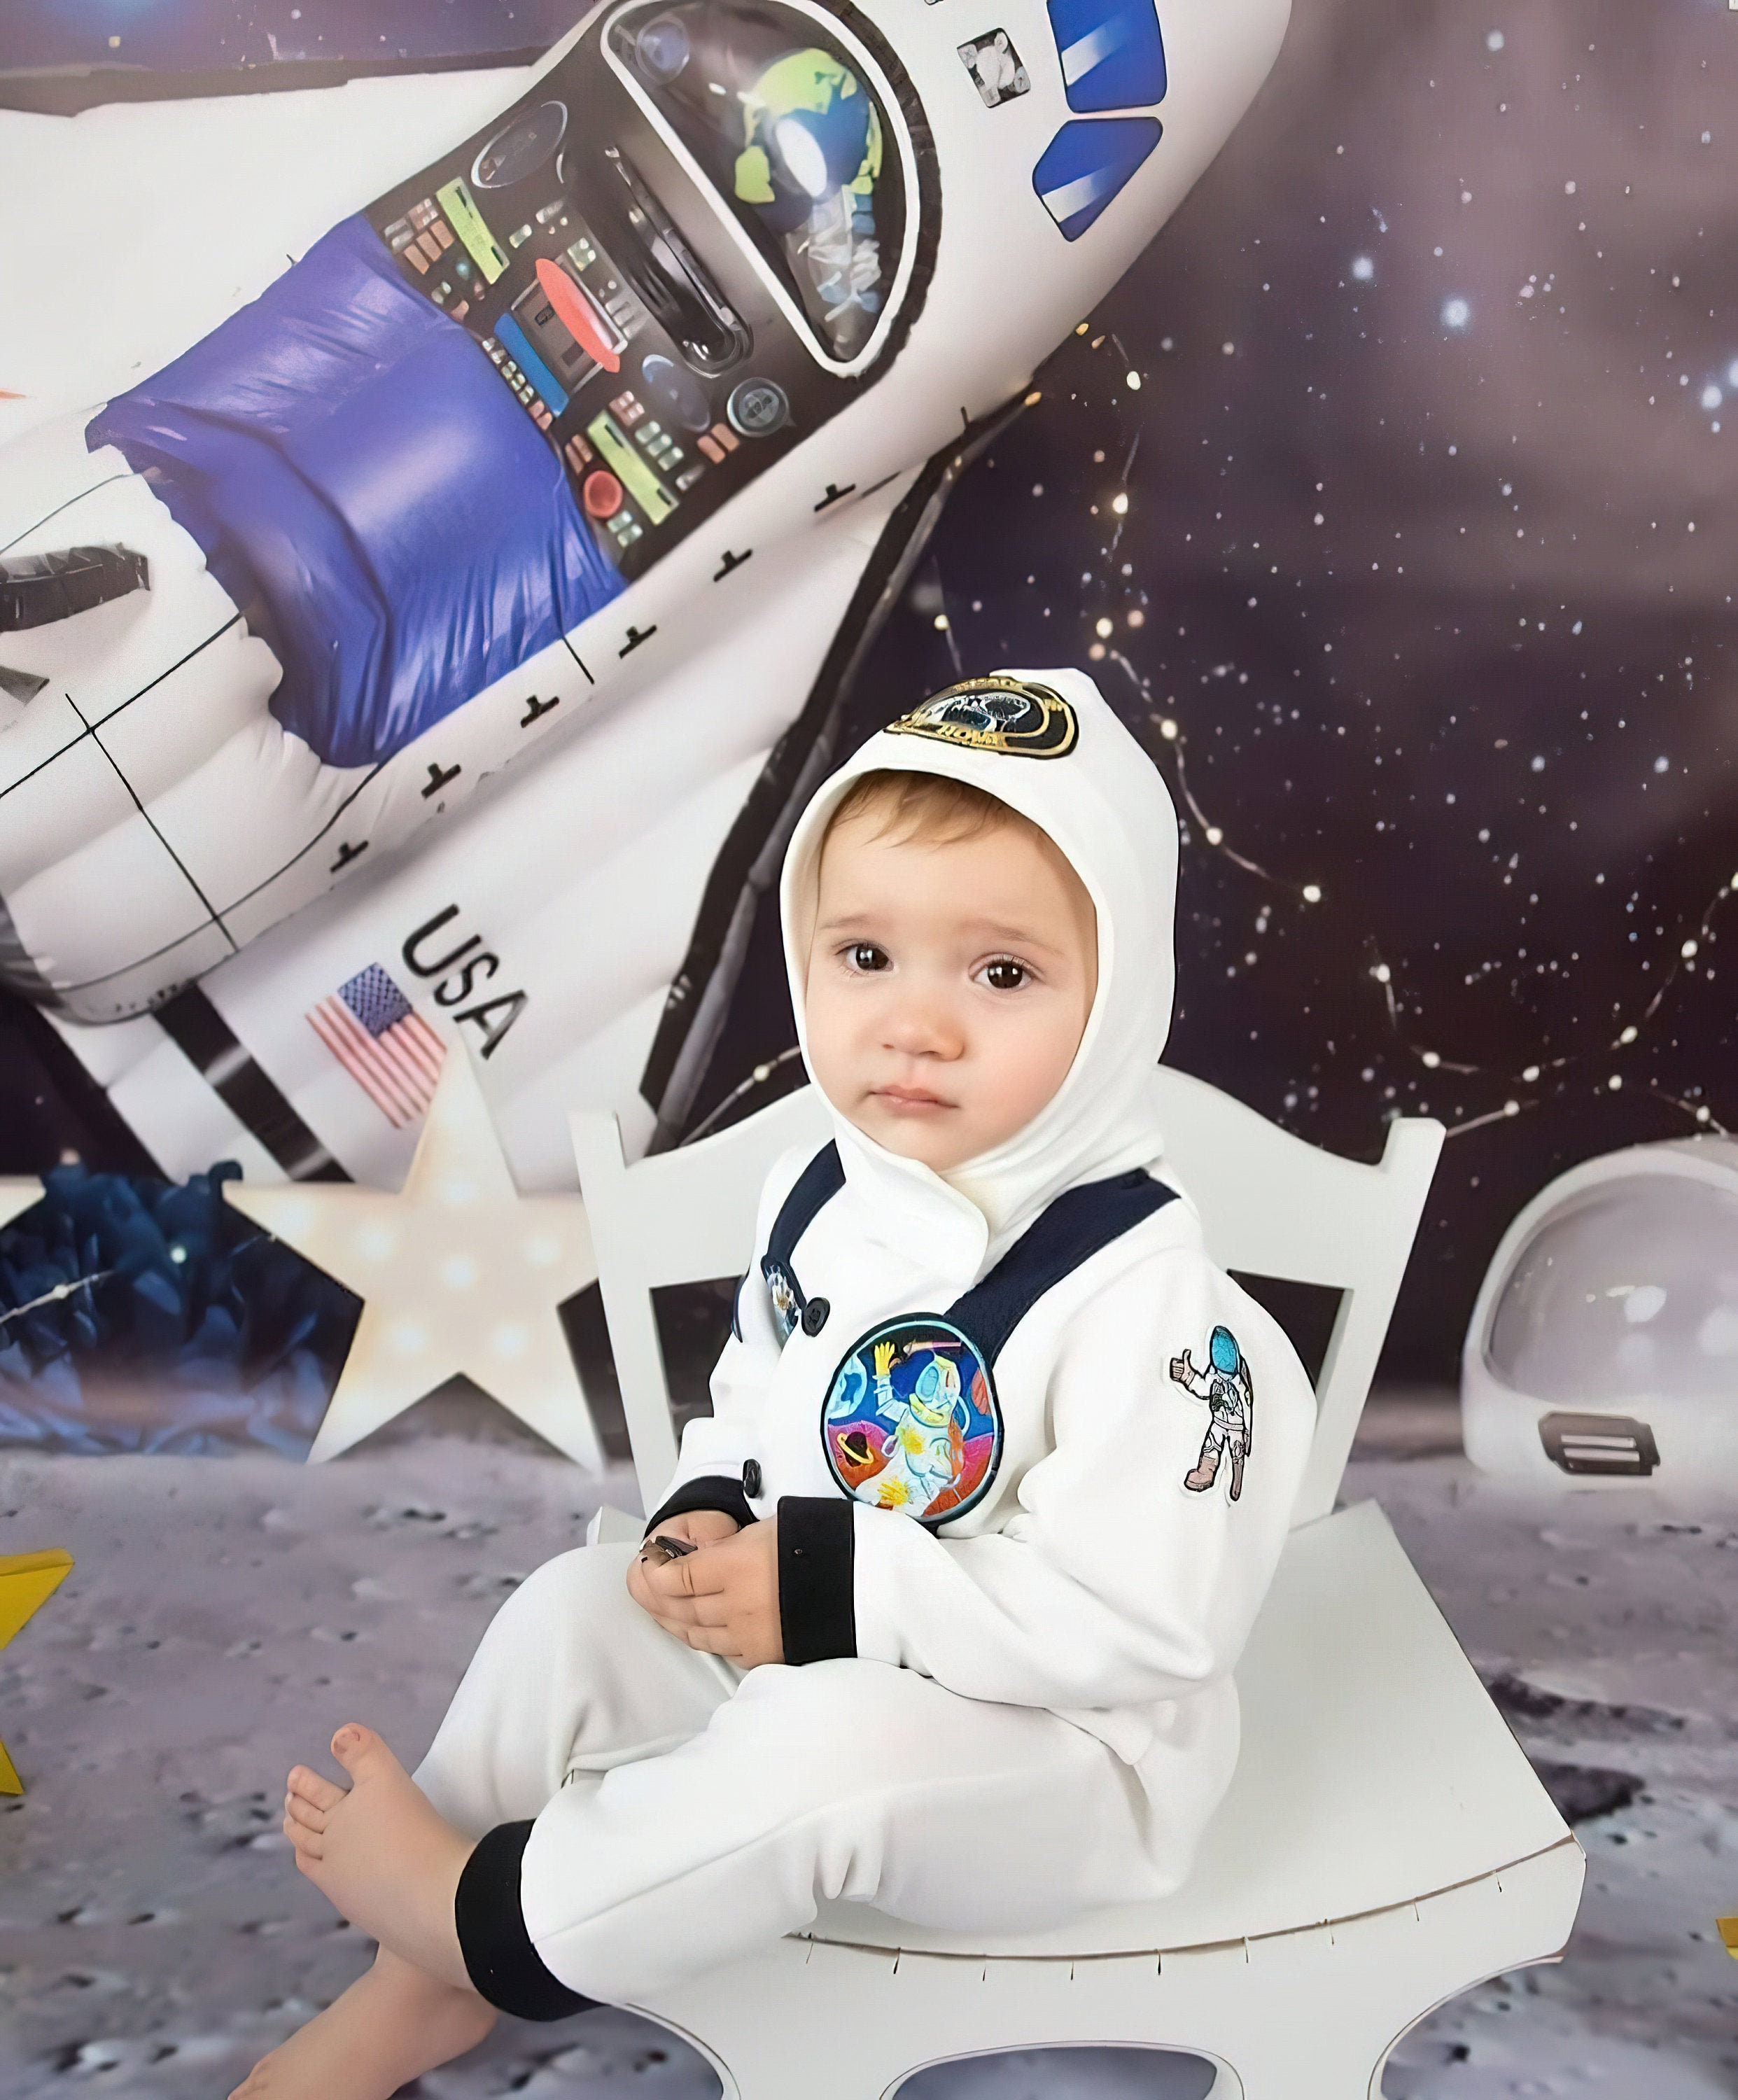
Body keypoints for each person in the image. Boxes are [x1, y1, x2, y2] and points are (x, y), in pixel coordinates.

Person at [234, 666, 1316, 2100]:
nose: (915, 1025)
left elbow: (1145, 1620)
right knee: (572, 1610)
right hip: (813, 1623)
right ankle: (419, 1987)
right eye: (867, 956)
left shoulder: (1159, 1310)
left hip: (1062, 1760)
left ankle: (483, 1927)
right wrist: (707, 1511)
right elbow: (763, 1381)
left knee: (827, 1742)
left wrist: (831, 1589)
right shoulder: (821, 1187)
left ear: (1120, 995)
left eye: (1001, 974)